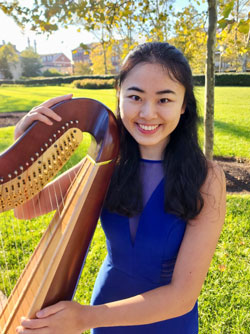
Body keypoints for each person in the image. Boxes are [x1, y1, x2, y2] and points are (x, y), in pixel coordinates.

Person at [15, 42, 226, 334]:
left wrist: (85, 318)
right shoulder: (106, 164)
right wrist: (23, 141)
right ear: (119, 97)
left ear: (184, 105)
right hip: (107, 309)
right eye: (135, 96)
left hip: (165, 322)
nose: (148, 113)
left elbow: (182, 297)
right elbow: (27, 209)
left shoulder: (207, 178)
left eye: (164, 100)